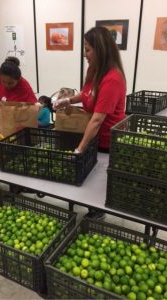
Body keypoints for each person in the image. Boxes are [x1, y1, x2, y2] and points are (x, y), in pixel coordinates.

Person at [54, 26, 126, 219]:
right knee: (87, 177)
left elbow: (97, 119)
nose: (85, 54)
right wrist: (68, 100)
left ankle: (98, 212)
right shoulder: (94, 70)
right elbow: (87, 95)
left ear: (100, 50)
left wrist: (80, 148)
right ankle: (91, 205)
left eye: (87, 49)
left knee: (98, 180)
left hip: (105, 140)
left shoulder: (112, 79)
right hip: (92, 135)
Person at [0, 56, 38, 127]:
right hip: (1, 121)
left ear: (18, 79)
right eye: (3, 81)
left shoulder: (24, 87)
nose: (6, 85)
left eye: (11, 83)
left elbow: (33, 107)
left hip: (17, 125)